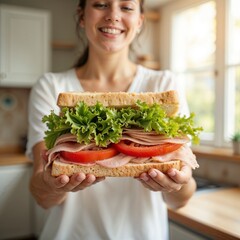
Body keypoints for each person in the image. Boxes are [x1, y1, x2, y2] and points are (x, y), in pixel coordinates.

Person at [27, 0, 197, 239]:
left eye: (126, 7)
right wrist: (51, 184)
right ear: (82, 16)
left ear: (139, 21)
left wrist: (179, 183)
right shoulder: (51, 86)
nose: (113, 15)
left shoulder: (164, 84)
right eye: (100, 4)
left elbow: (181, 199)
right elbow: (42, 197)